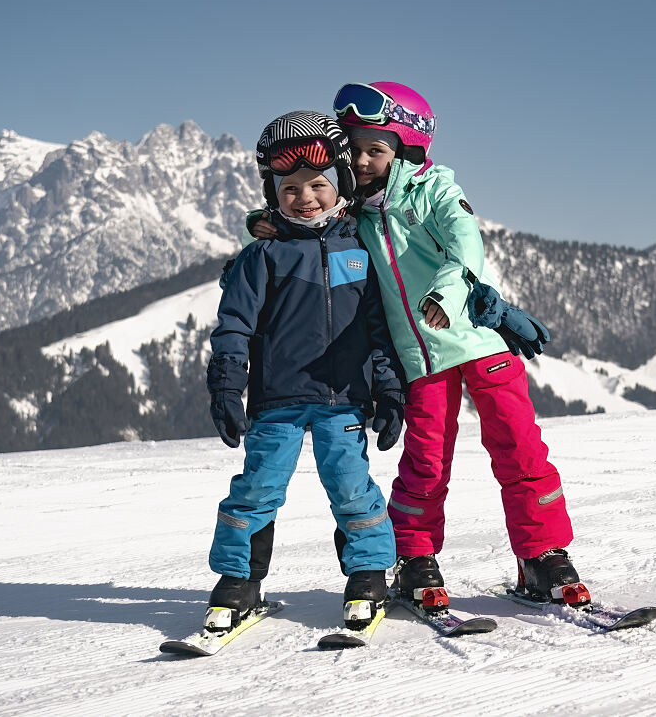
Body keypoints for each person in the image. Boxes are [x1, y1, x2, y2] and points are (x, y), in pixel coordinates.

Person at [251, 82, 588, 611]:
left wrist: (451, 294)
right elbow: (311, 229)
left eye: (375, 149)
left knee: (519, 446)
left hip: (478, 343)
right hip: (420, 358)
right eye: (353, 148)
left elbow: (466, 244)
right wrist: (265, 223)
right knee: (427, 462)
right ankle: (415, 556)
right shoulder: (354, 212)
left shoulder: (434, 191)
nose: (361, 160)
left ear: (406, 147)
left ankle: (542, 553)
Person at [204, 110, 404, 633]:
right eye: (288, 188)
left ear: (339, 183)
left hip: (344, 398)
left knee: (351, 487)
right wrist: (226, 382)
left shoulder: (360, 248)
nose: (304, 197)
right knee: (256, 487)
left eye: (317, 184)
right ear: (272, 193)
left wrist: (389, 388)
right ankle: (238, 582)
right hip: (279, 399)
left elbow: (378, 329)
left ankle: (368, 574)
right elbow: (233, 324)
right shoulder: (263, 255)